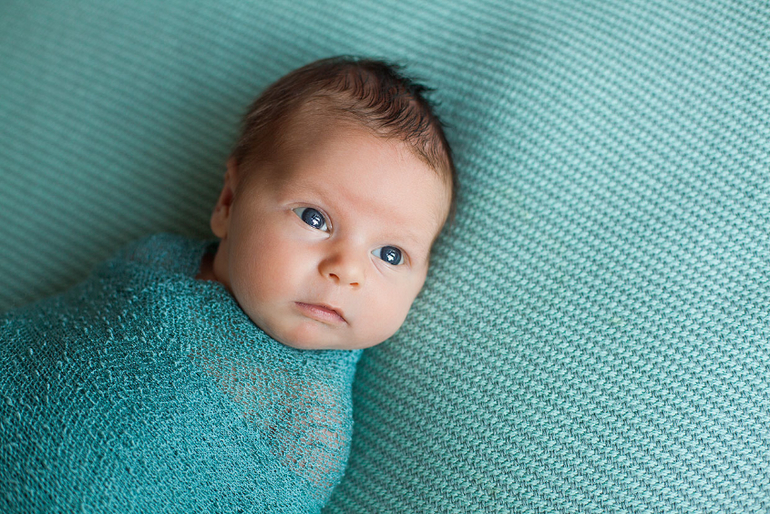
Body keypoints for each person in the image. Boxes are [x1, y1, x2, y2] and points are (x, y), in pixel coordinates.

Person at [0, 56, 456, 513]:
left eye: (390, 254)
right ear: (229, 202)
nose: (347, 270)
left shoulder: (308, 428)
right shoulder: (155, 261)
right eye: (314, 218)